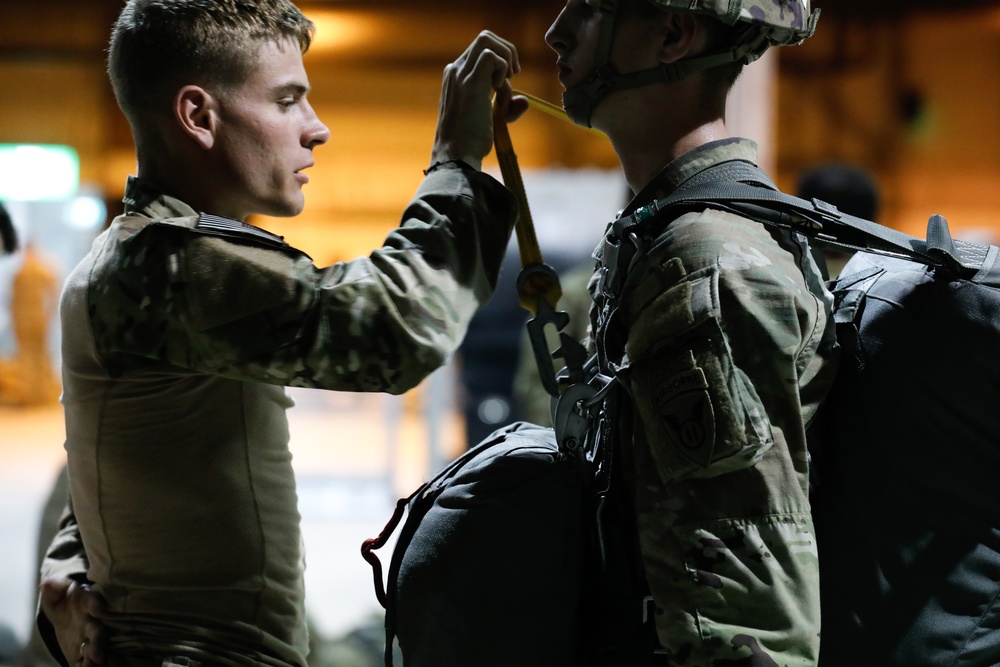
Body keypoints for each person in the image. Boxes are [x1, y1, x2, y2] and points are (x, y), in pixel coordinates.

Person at [35, 1, 523, 665]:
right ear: (198, 116)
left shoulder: (129, 259)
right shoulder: (174, 266)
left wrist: (76, 553)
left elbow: (116, 458)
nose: (316, 129)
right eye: (288, 100)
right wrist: (456, 162)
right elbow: (389, 330)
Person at [537, 0, 838, 662]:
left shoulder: (706, 259)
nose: (556, 31)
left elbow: (748, 609)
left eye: (588, 10)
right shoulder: (666, 231)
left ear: (673, 34)